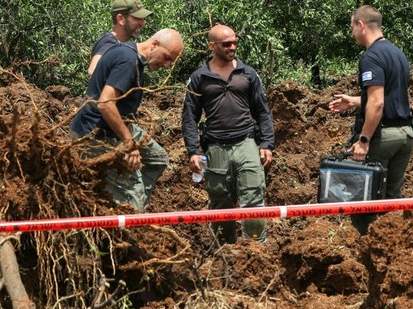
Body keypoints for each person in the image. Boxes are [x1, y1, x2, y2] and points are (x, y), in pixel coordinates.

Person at [71, 28, 183, 212]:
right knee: (135, 198)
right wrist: (129, 143)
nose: (167, 65)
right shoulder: (128, 62)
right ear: (154, 44)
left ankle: (116, 203)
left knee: (157, 159)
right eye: (167, 57)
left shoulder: (131, 54)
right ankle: (126, 212)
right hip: (95, 134)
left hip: (113, 126)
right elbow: (105, 104)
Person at [181, 24, 275, 244]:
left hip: (246, 143)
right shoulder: (199, 78)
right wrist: (193, 151)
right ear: (212, 46)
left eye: (235, 42)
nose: (232, 47)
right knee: (221, 202)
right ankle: (225, 253)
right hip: (216, 148)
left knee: (253, 197)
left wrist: (267, 144)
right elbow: (189, 117)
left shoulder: (248, 74)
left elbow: (262, 111)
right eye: (226, 44)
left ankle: (255, 249)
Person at [328, 5, 413, 234]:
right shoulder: (397, 53)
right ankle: (394, 251)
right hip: (405, 135)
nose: (352, 34)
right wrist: (356, 102)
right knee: (392, 200)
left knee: (366, 201)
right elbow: (390, 96)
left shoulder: (371, 57)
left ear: (361, 25)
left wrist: (364, 140)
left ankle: (365, 253)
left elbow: (378, 103)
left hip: (382, 137)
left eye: (352, 28)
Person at [87, 0, 152, 76]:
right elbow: (93, 70)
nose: (142, 23)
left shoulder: (119, 43)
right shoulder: (110, 42)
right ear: (120, 19)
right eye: (137, 18)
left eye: (143, 18)